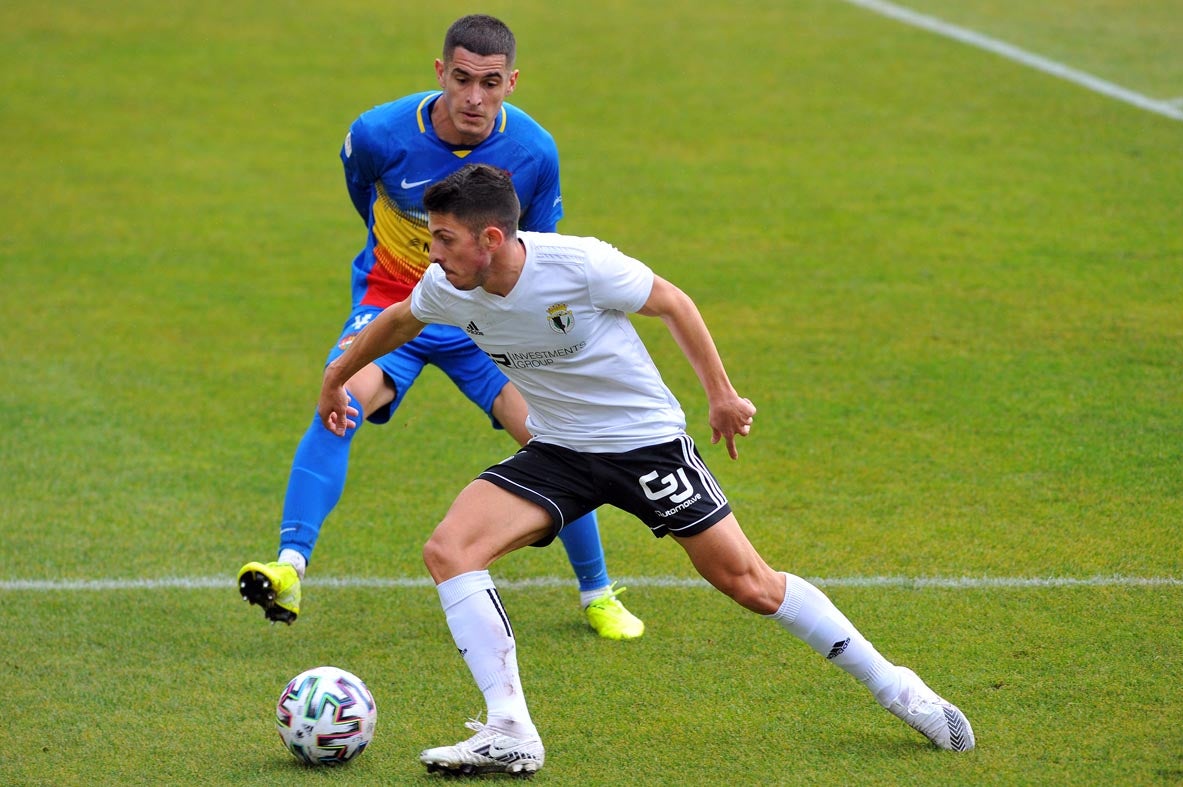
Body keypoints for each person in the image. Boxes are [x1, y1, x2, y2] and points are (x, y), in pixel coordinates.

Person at [316, 163, 977, 776]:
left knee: (748, 583)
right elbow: (399, 320)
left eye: (444, 239)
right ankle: (510, 726)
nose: (432, 252)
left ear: (490, 237)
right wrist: (337, 378)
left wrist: (720, 394)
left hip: (644, 445)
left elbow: (673, 303)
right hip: (559, 452)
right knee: (449, 548)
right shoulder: (448, 287)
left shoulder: (579, 264)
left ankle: (897, 686)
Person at [236, 14, 643, 640]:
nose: (474, 98)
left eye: (490, 82)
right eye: (461, 79)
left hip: (488, 317)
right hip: (397, 300)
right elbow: (362, 202)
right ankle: (290, 567)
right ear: (439, 73)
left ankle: (597, 592)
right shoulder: (377, 134)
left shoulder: (534, 152)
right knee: (339, 401)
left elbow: (537, 247)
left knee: (554, 439)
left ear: (511, 81)